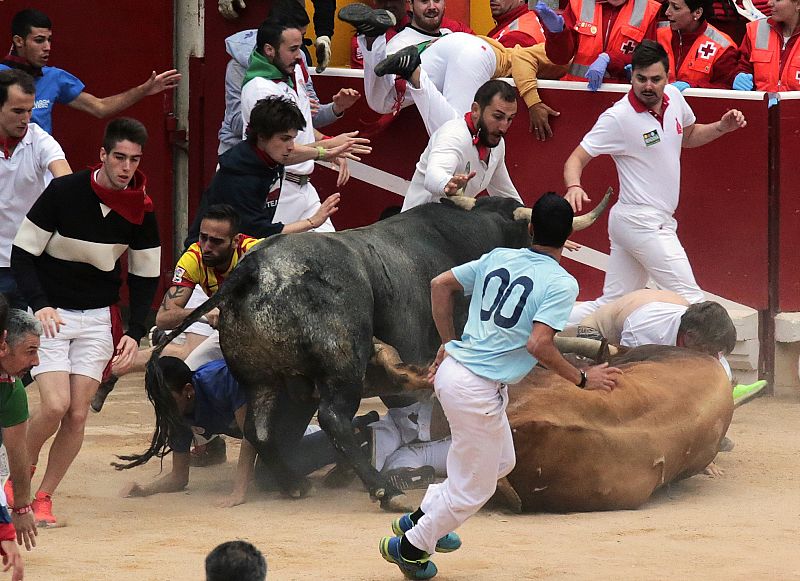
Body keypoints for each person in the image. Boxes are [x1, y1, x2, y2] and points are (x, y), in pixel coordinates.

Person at [379, 193, 621, 579]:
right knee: (475, 489)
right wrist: (582, 378)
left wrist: (449, 342)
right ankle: (409, 548)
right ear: (568, 238)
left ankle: (424, 520)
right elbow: (539, 344)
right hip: (476, 389)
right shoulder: (561, 282)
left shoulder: (498, 257)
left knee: (501, 462)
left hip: (459, 376)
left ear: (530, 229)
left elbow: (439, 284)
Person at [10, 118, 162, 528]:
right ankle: (16, 482)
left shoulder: (142, 208)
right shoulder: (64, 191)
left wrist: (135, 332)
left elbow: (146, 275)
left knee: (77, 414)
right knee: (54, 405)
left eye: (134, 160)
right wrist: (40, 305)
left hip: (97, 319)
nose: (126, 167)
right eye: (119, 157)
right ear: (102, 155)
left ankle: (43, 498)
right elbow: (23, 254)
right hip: (52, 315)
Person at [563, 41, 746, 325]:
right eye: (641, 79)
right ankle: (712, 359)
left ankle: (536, 322)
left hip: (641, 220)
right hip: (642, 222)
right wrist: (574, 186)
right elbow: (575, 158)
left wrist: (721, 127)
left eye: (655, 79)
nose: (648, 86)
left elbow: (688, 136)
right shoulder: (618, 117)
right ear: (631, 76)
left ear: (668, 78)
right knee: (693, 302)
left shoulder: (674, 97)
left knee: (611, 306)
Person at [118, 357, 348, 508]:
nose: (162, 409)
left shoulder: (219, 381)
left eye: (166, 400)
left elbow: (251, 435)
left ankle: (356, 434)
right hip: (268, 423)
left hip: (293, 395)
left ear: (188, 391)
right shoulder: (176, 413)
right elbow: (179, 477)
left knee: (268, 476)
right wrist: (145, 490)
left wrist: (239, 492)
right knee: (271, 471)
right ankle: (345, 437)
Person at [240, 19, 370, 232]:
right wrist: (326, 150)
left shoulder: (293, 72)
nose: (300, 55)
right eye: (293, 49)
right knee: (268, 250)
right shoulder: (260, 89)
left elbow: (302, 130)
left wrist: (329, 142)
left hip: (303, 187)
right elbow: (280, 152)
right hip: (274, 190)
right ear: (269, 50)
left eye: (300, 47)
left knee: (330, 247)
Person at [188, 96, 367, 244]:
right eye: (285, 139)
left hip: (239, 249)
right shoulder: (241, 178)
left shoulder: (266, 153)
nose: (291, 146)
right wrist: (312, 222)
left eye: (293, 139)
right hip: (209, 261)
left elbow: (292, 156)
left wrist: (324, 153)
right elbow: (261, 232)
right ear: (262, 136)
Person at [0, 9, 180, 135]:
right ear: (19, 41)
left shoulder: (54, 77)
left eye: (49, 40)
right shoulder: (2, 75)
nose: (47, 47)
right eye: (39, 40)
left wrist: (144, 90)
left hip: (39, 167)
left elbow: (100, 107)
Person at [217, 0, 362, 155]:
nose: (299, 53)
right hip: (240, 156)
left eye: (302, 39)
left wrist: (336, 108)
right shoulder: (247, 75)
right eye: (293, 46)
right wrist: (293, 111)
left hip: (285, 158)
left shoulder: (298, 60)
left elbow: (309, 117)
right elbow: (240, 125)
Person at [0, 69, 71, 309]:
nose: (26, 119)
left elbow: (65, 180)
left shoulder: (38, 138)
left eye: (30, 111)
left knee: (31, 331)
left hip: (30, 262)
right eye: (18, 111)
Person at [401, 80, 524, 210]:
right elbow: (433, 176)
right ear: (475, 110)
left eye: (510, 119)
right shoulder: (454, 135)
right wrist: (447, 183)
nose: (503, 128)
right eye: (498, 117)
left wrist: (528, 216)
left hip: (448, 220)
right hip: (416, 219)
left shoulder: (498, 145)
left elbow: (505, 194)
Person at [538, 0, 661, 89]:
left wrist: (610, 59)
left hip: (622, 96)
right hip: (579, 92)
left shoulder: (648, 9)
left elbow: (649, 59)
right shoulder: (578, 3)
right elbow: (560, 58)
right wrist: (557, 33)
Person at [0, 309, 42, 552]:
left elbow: (17, 451)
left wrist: (22, 506)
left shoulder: (12, 389)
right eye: (30, 351)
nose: (36, 362)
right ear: (4, 345)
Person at [348, 0, 474, 68]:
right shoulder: (367, 38)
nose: (389, 4)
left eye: (394, 0)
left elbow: (477, 47)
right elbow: (370, 81)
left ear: (407, 1)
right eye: (383, 0)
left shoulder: (440, 25)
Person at [657, 0, 739, 90]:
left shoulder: (722, 47)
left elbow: (726, 86)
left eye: (676, 8)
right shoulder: (656, 32)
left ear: (697, 12)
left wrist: (694, 87)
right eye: (668, 5)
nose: (667, 12)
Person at [733, 0, 800, 91]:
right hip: (761, 99)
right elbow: (744, 65)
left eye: (778, 0)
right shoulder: (756, 30)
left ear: (798, 4)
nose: (769, 3)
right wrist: (740, 74)